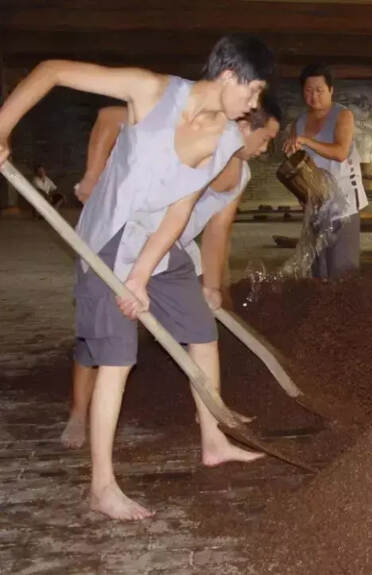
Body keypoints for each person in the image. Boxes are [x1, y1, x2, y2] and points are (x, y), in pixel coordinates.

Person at [0, 34, 275, 520]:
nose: (254, 104)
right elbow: (51, 70)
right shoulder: (150, 90)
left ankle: (213, 440)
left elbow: (180, 211)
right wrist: (2, 128)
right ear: (228, 76)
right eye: (253, 91)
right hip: (108, 238)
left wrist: (143, 276)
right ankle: (102, 487)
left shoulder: (228, 139)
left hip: (160, 245)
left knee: (199, 329)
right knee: (117, 356)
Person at [60, 94, 282, 450]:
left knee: (201, 331)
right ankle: (78, 412)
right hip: (121, 231)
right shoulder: (191, 130)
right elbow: (108, 117)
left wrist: (212, 286)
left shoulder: (241, 175)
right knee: (101, 339)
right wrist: (91, 177)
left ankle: (210, 416)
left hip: (170, 247)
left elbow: (218, 229)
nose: (266, 148)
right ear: (243, 124)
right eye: (266, 138)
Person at [282, 63, 368, 279]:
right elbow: (297, 163)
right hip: (316, 203)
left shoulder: (343, 115)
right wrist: (301, 192)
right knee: (317, 269)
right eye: (308, 91)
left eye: (319, 90)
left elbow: (340, 152)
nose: (314, 96)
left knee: (342, 269)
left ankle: (345, 311)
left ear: (331, 90)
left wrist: (306, 141)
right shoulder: (299, 123)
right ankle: (323, 311)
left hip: (344, 204)